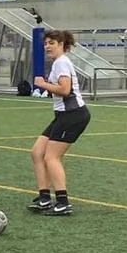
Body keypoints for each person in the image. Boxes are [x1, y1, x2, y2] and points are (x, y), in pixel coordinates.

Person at [28, 30, 91, 216]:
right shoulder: (58, 63)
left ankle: (63, 202)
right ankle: (44, 197)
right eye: (46, 43)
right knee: (37, 152)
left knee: (51, 157)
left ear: (62, 44)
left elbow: (65, 89)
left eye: (52, 43)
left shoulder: (61, 62)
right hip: (63, 115)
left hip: (73, 115)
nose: (47, 46)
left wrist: (42, 84)